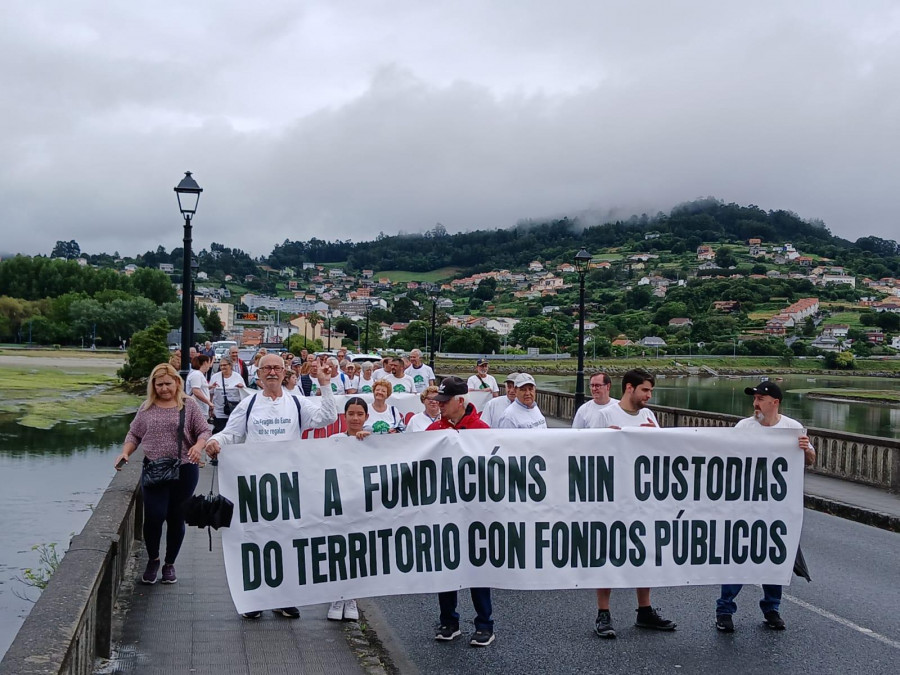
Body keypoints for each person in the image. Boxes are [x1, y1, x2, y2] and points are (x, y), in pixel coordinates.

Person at [206, 353, 338, 620]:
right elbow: (232, 433)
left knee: (287, 540)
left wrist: (325, 384)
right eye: (267, 368)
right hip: (255, 484)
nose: (272, 373)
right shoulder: (249, 404)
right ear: (258, 373)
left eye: (277, 368)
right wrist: (215, 441)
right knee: (255, 539)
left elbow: (327, 417)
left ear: (285, 372)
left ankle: (282, 598)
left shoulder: (297, 402)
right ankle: (254, 598)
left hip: (288, 483)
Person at [715, 381, 816, 634]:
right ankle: (724, 610)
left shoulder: (792, 428)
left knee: (774, 556)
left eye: (760, 398)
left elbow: (811, 460)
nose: (755, 403)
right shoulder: (744, 427)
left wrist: (805, 450)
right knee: (738, 556)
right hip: (746, 506)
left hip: (777, 507)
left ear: (775, 402)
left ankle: (772, 609)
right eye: (755, 398)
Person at [591, 369, 676, 637]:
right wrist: (606, 439)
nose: (649, 396)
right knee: (609, 553)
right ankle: (603, 614)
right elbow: (586, 452)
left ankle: (645, 610)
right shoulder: (605, 415)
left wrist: (658, 439)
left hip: (643, 496)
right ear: (630, 388)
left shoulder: (649, 416)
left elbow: (664, 455)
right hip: (613, 496)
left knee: (645, 550)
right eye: (645, 391)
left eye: (650, 391)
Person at [113, 363, 210, 585]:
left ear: (177, 382)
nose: (164, 388)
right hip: (155, 469)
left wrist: (198, 446)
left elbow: (204, 430)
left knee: (176, 517)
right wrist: (125, 453)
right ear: (153, 386)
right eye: (159, 385)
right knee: (154, 516)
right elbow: (134, 434)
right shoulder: (146, 407)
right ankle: (153, 559)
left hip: (184, 468)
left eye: (168, 383)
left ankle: (169, 564)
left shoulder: (188, 405)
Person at [425, 376, 495, 646]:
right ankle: (448, 620)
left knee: (478, 568)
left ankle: (485, 623)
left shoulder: (482, 430)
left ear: (461, 401)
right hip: (444, 513)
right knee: (446, 567)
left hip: (475, 513)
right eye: (439, 401)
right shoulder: (433, 430)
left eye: (445, 401)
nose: (440, 406)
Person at [326, 397, 371, 622]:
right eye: (351, 413)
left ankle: (352, 598)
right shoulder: (334, 440)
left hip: (362, 505)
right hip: (338, 503)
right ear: (344, 416)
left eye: (359, 414)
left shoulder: (374, 441)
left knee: (358, 552)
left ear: (366, 417)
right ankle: (336, 596)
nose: (355, 418)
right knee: (338, 550)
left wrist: (369, 442)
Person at [209, 357, 245, 433]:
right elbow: (211, 393)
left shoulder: (237, 377)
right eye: (221, 365)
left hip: (233, 410)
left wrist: (241, 387)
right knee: (220, 431)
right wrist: (211, 407)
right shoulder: (215, 377)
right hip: (219, 411)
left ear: (230, 365)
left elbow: (244, 393)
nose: (222, 367)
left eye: (225, 365)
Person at [186, 354, 213, 419]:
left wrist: (209, 387)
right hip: (198, 408)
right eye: (209, 362)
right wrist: (208, 402)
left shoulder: (199, 374)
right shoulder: (196, 374)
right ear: (205, 363)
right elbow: (196, 391)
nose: (210, 365)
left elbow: (200, 388)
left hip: (200, 408)